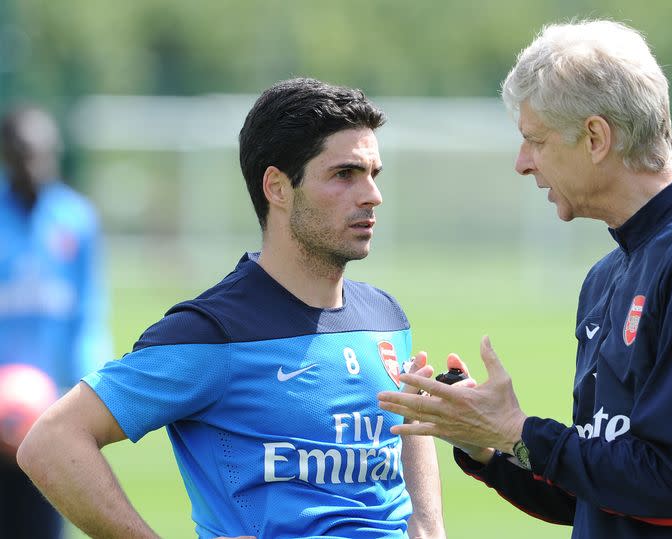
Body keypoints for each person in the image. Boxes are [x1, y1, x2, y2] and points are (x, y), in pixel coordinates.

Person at [379, 19, 672, 538]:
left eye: (535, 141)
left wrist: (520, 430)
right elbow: (595, 491)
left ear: (596, 137)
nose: (521, 163)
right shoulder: (606, 276)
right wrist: (489, 443)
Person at [18, 79, 445, 539]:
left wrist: (427, 525)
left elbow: (409, 422)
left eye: (372, 174)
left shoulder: (385, 317)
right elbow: (51, 443)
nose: (371, 195)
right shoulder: (214, 332)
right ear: (277, 188)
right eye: (345, 174)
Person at [1, 105, 110, 539]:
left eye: (42, 153)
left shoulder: (76, 219)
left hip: (45, 414)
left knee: (41, 526)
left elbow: (88, 314)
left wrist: (80, 391)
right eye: (23, 153)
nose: (33, 164)